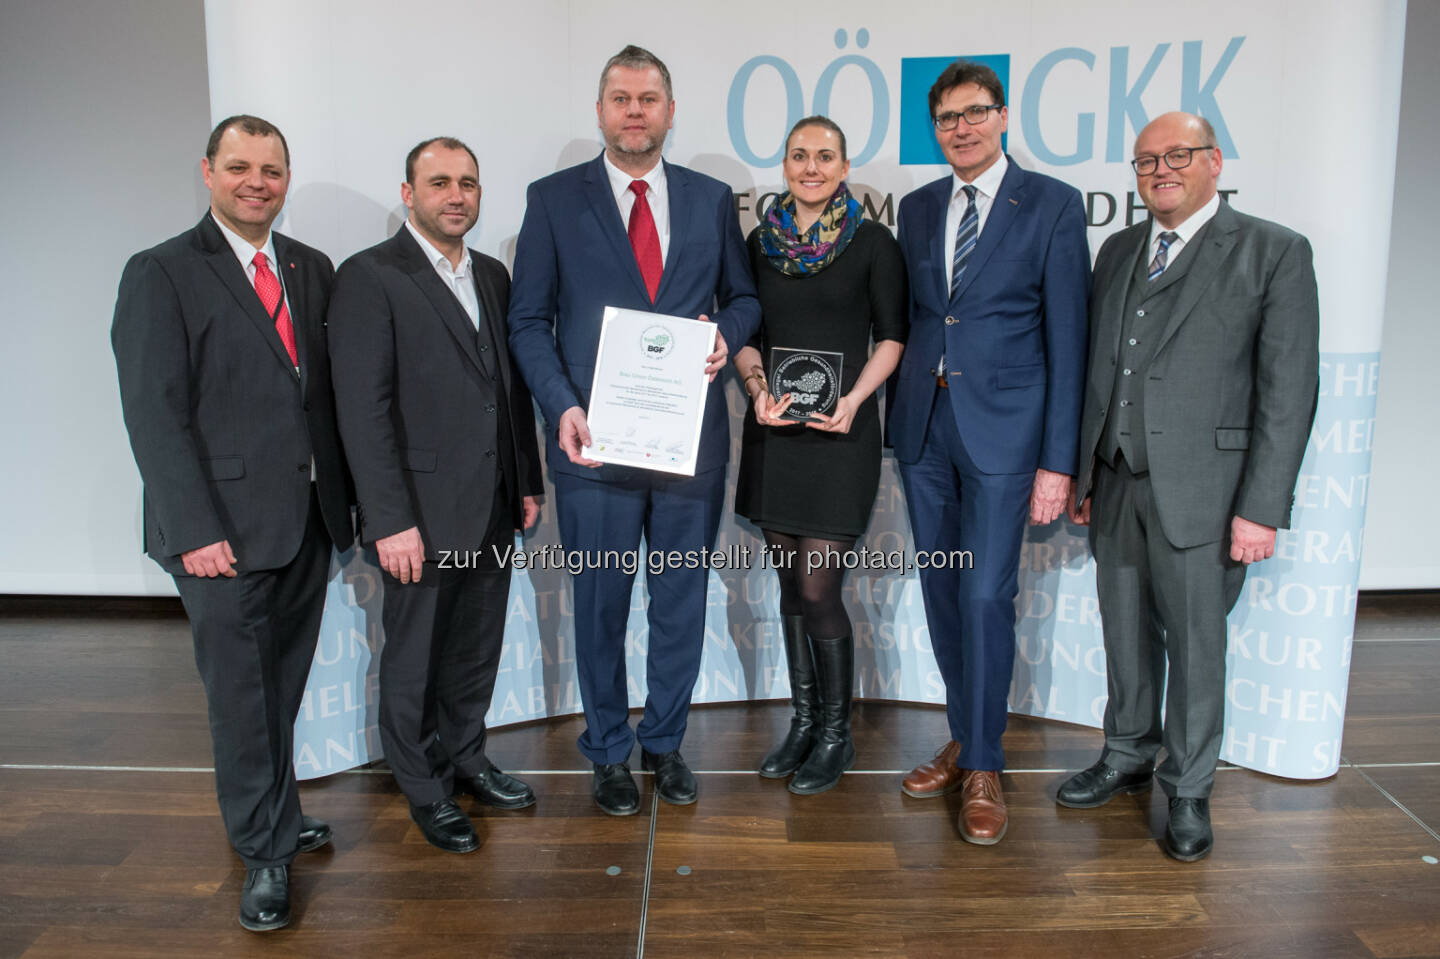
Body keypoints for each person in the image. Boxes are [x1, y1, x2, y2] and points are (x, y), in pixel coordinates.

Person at [111, 115, 353, 931]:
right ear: (207, 171)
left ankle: (276, 814)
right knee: (242, 699)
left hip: (305, 522)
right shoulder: (162, 272)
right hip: (218, 533)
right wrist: (192, 527)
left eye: (272, 169)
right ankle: (263, 854)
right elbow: (154, 414)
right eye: (241, 166)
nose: (258, 181)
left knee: (277, 689)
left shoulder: (311, 269)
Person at [1058, 112, 1319, 862]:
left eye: (1176, 155)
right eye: (1145, 161)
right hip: (1114, 480)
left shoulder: (1272, 252)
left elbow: (1288, 392)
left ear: (1214, 160)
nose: (1159, 171)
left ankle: (1191, 786)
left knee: (1198, 646)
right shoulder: (1116, 250)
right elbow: (1098, 368)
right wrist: (1083, 469)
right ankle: (1128, 749)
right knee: (1124, 633)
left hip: (1208, 492)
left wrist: (1261, 508)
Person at [508, 44, 760, 815]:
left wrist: (725, 333)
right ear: (600, 111)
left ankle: (666, 741)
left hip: (690, 449)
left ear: (670, 111)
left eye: (648, 98)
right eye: (620, 97)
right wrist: (563, 406)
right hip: (594, 449)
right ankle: (609, 750)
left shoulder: (712, 197)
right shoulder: (552, 199)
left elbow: (744, 298)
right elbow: (527, 321)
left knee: (680, 602)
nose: (634, 111)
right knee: (601, 607)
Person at [887, 60, 1090, 844]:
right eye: (947, 118)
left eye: (975, 113)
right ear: (934, 128)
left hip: (1009, 436)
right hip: (924, 430)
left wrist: (1059, 460)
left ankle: (984, 764)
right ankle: (966, 734)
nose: (962, 128)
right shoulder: (917, 207)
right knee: (943, 597)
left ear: (1003, 117)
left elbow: (1067, 336)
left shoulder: (1051, 204)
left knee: (982, 596)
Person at [327, 138, 543, 853]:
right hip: (416, 512)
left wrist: (528, 480)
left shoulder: (493, 274)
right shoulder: (369, 276)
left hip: (492, 503)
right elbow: (362, 408)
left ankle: (468, 757)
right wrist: (388, 518)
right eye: (441, 182)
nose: (457, 195)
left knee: (476, 647)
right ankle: (423, 785)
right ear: (408, 190)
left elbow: (507, 391)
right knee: (415, 652)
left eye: (469, 183)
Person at [733, 116, 907, 794]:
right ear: (783, 163)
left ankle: (838, 733)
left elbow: (892, 337)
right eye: (800, 155)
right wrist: (753, 389)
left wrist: (855, 399)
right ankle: (804, 722)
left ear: (844, 165)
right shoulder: (757, 243)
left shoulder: (873, 243)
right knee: (787, 584)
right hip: (776, 434)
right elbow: (746, 332)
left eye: (824, 156)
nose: (811, 166)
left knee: (817, 585)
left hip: (841, 435)